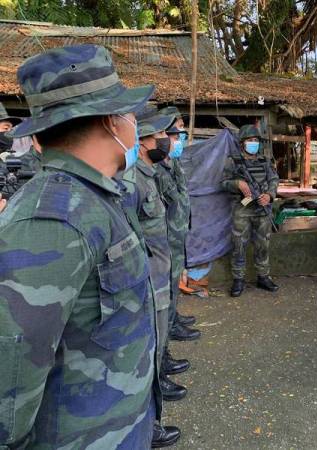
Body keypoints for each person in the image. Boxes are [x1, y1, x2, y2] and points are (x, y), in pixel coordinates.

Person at [0, 44, 157, 449]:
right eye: (129, 113)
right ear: (111, 121)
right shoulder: (52, 219)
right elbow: (10, 366)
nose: (134, 123)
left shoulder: (95, 199)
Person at [130, 107, 184, 447]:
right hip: (148, 284)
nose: (167, 141)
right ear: (143, 140)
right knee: (146, 359)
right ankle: (146, 429)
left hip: (161, 278)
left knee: (155, 352)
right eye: (161, 136)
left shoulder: (148, 174)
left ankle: (149, 425)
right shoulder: (133, 181)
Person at [154, 108, 201, 342]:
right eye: (176, 134)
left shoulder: (172, 164)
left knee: (174, 281)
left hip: (176, 233)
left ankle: (173, 318)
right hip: (166, 236)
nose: (180, 139)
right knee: (169, 284)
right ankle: (169, 325)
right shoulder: (157, 170)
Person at [220, 124, 279, 297]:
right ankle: (238, 279)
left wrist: (269, 194)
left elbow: (274, 179)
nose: (254, 143)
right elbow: (222, 183)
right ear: (242, 143)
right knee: (239, 245)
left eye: (256, 141)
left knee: (263, 245)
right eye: (250, 140)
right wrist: (237, 184)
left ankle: (263, 276)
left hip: (262, 209)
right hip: (242, 209)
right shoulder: (233, 161)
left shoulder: (265, 161)